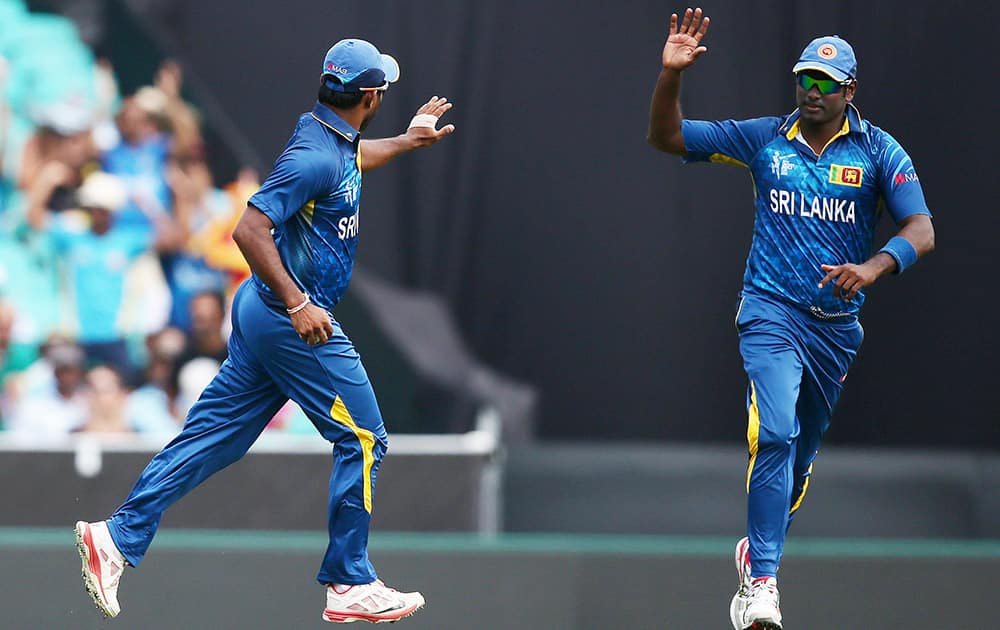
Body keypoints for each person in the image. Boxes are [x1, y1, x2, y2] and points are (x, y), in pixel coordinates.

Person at [75, 38, 455, 624]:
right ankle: (350, 581)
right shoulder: (314, 154)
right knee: (364, 438)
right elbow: (248, 230)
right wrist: (299, 302)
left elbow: (349, 164)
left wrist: (407, 139)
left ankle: (117, 537)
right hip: (290, 319)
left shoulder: (331, 140)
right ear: (371, 95)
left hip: (263, 311)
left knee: (216, 436)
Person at [647, 9, 934, 630]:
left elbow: (922, 229)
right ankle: (763, 582)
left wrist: (875, 265)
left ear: (850, 90)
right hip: (770, 311)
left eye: (827, 82)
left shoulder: (879, 150)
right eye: (806, 78)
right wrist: (670, 77)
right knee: (773, 432)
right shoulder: (765, 139)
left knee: (798, 457)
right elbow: (668, 139)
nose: (813, 90)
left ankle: (758, 546)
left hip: (834, 326)